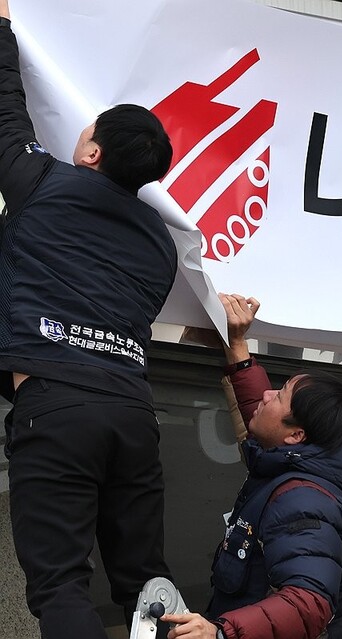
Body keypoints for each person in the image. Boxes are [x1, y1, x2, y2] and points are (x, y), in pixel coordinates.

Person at [0, 2, 178, 638]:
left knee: (58, 584)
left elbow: (4, 110)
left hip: (56, 405)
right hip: (132, 412)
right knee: (144, 586)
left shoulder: (42, 183)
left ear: (93, 150)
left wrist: (2, 30)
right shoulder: (161, 243)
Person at [162, 293, 342, 639]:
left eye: (279, 396)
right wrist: (236, 347)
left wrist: (220, 634)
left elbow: (307, 603)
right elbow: (259, 421)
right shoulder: (300, 467)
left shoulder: (304, 499)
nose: (268, 395)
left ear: (296, 435)